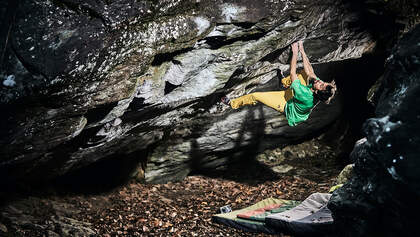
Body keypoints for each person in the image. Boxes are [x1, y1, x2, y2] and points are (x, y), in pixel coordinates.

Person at [221, 41, 337, 126]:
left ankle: (232, 103)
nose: (320, 82)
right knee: (305, 74)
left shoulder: (306, 96)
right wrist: (302, 49)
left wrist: (295, 53)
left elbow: (292, 74)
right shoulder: (318, 87)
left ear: (317, 91)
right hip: (296, 98)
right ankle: (284, 83)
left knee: (256, 96)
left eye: (321, 85)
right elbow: (310, 71)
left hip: (287, 106)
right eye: (323, 82)